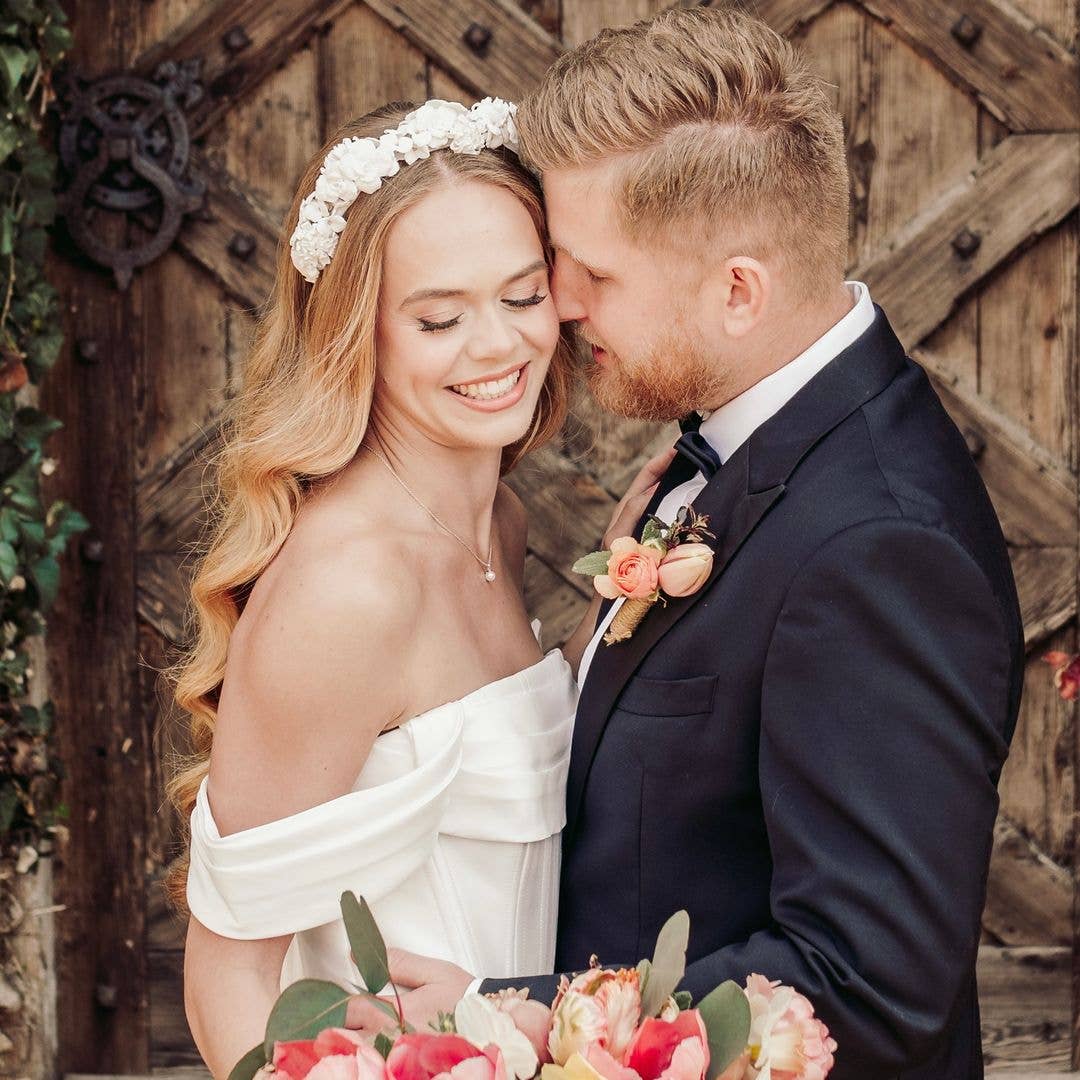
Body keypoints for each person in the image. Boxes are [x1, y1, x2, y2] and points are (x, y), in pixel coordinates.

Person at [361, 9, 1025, 1078]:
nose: (557, 308)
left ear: (738, 292)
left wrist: (504, 1013)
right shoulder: (732, 442)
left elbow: (868, 983)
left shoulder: (879, 548)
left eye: (594, 275)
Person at [166, 97, 645, 1078]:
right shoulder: (349, 590)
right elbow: (229, 977)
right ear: (359, 333)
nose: (499, 347)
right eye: (438, 317)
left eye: (521, 296)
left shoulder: (498, 527)